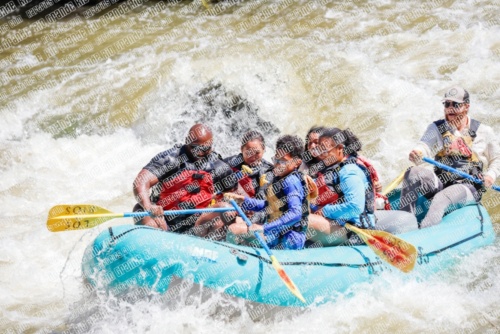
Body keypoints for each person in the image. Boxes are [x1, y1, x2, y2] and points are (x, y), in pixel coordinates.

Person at [400, 86, 500, 228]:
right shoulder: (436, 127)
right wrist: (417, 153)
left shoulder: (484, 131)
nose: (450, 109)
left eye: (456, 105)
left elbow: (497, 159)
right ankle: (403, 225)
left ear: (466, 107)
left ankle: (425, 234)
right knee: (412, 173)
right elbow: (424, 146)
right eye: (447, 104)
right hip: (442, 183)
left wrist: (490, 176)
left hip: (469, 186)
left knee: (442, 198)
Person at [132, 124, 232, 232]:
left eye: (204, 149)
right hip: (163, 219)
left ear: (211, 146)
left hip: (197, 224)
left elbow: (234, 195)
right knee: (140, 210)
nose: (198, 153)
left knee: (224, 211)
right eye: (195, 148)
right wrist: (148, 206)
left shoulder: (219, 166)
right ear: (187, 141)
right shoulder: (170, 159)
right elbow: (141, 181)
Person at [225, 135, 311, 250]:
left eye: (283, 161)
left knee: (234, 230)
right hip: (278, 232)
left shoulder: (291, 181)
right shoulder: (280, 177)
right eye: (276, 159)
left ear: (297, 162)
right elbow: (269, 206)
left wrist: (265, 228)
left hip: (290, 238)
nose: (277, 165)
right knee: (237, 226)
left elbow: (295, 214)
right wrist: (243, 201)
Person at [192, 130, 273, 239]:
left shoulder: (268, 172)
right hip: (225, 209)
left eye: (257, 152)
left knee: (224, 224)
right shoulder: (228, 164)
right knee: (219, 221)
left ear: (264, 150)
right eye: (248, 152)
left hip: (248, 217)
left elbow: (264, 207)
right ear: (241, 149)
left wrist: (247, 222)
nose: (253, 156)